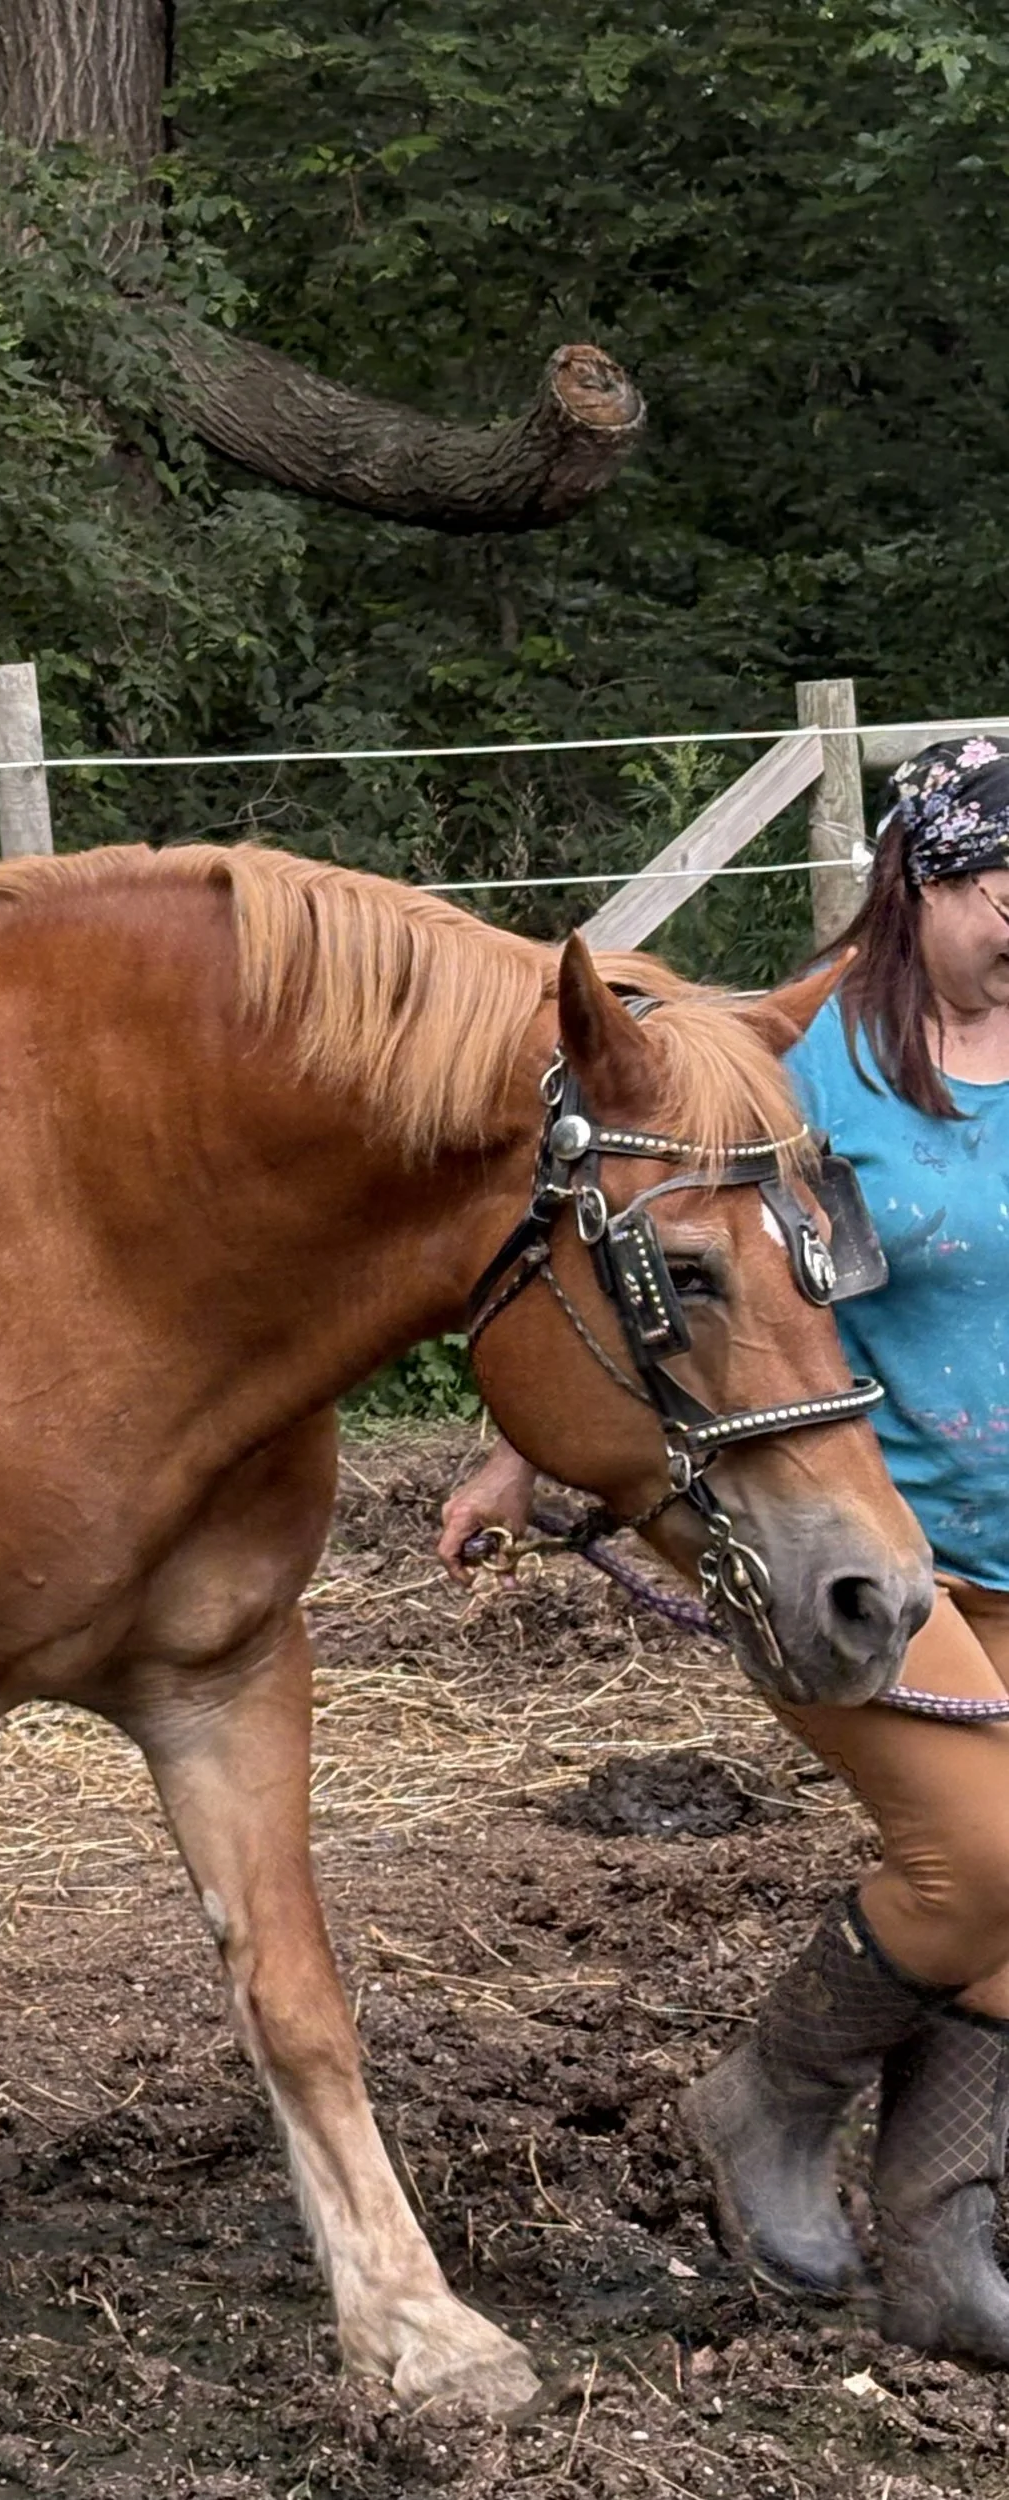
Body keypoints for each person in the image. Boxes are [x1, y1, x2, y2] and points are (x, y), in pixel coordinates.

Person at [441, 733, 1009, 2362]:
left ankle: (939, 2237)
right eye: (999, 882)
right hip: (860, 1528)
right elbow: (655, 1261)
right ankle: (768, 2102)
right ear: (923, 878)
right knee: (981, 1857)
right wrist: (516, 1460)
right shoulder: (799, 1054)